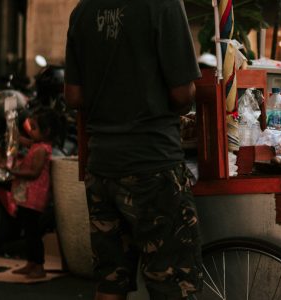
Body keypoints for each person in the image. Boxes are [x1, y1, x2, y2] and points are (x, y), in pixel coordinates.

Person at [64, 0, 202, 299]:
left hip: (101, 166)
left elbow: (73, 95)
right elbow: (182, 92)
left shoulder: (82, 11)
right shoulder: (164, 5)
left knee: (110, 281)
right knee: (172, 282)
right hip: (152, 164)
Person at [9, 108, 66, 279]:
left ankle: (39, 266)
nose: (31, 131)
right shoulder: (37, 144)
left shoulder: (41, 149)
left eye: (34, 128)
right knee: (28, 230)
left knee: (33, 233)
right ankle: (31, 263)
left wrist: (13, 172)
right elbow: (25, 141)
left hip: (35, 197)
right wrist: (13, 132)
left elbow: (34, 173)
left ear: (46, 131)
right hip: (28, 196)